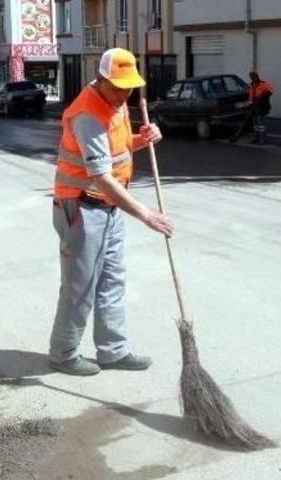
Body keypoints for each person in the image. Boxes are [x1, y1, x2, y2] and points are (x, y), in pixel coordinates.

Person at [49, 47, 174, 376]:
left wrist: (141, 139)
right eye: (118, 87)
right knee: (80, 286)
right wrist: (146, 215)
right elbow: (101, 176)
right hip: (80, 207)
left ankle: (112, 351)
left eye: (129, 87)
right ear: (101, 79)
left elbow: (114, 149)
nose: (124, 94)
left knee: (112, 281)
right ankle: (63, 354)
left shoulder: (114, 103)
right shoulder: (87, 115)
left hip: (108, 208)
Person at [248, 71, 274, 144]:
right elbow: (250, 96)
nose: (252, 77)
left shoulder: (263, 83)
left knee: (261, 124)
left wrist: (264, 95)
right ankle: (256, 138)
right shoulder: (251, 85)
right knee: (255, 124)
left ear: (257, 76)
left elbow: (271, 90)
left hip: (262, 105)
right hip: (254, 106)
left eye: (254, 76)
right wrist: (250, 104)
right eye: (251, 76)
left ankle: (262, 139)